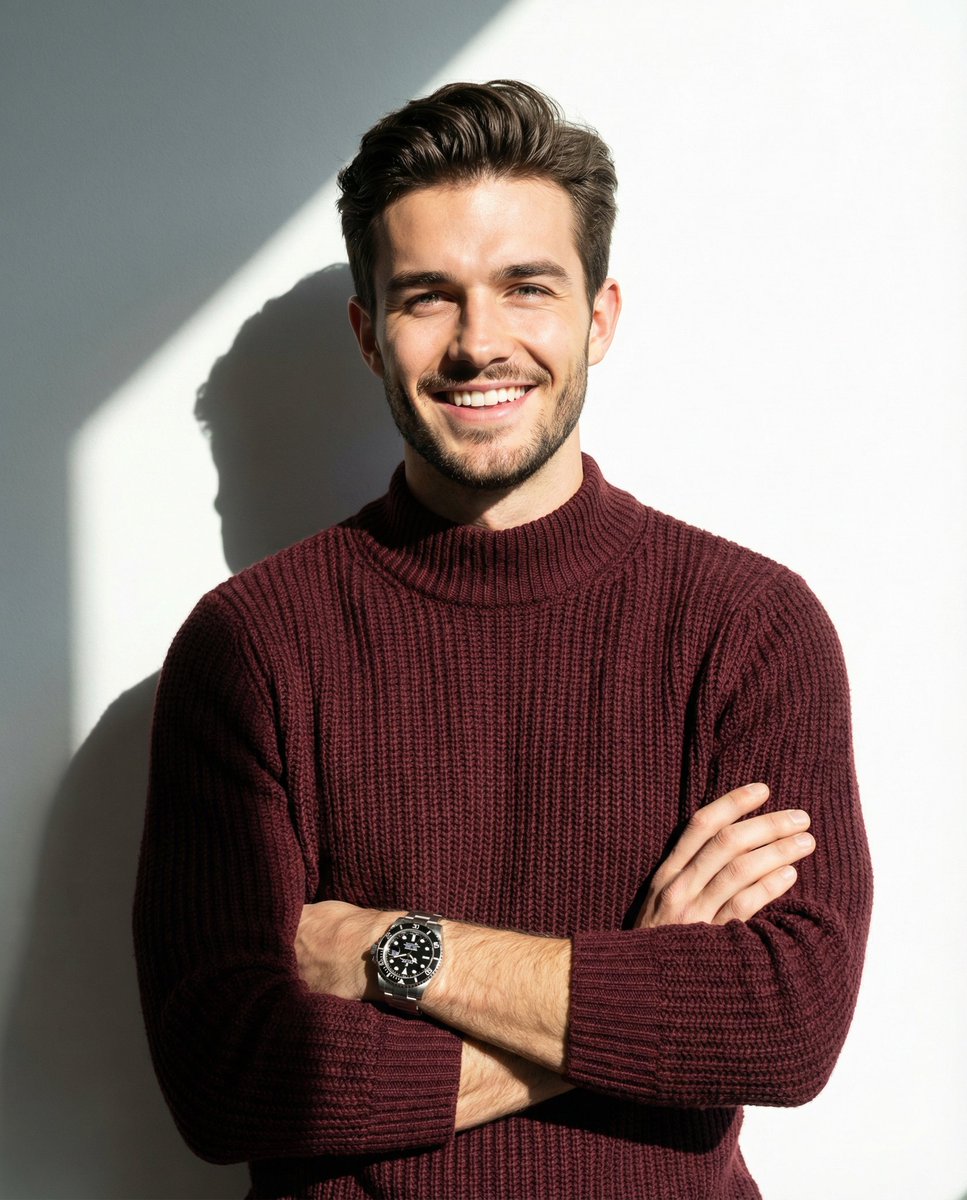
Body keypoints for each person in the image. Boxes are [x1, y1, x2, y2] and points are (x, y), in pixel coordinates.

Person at [134, 81, 872, 1200]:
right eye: (428, 297)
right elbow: (227, 1077)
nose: (481, 343)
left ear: (599, 317)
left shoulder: (748, 626)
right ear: (369, 336)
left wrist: (392, 948)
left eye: (527, 288)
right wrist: (645, 991)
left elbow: (783, 1024)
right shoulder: (252, 646)